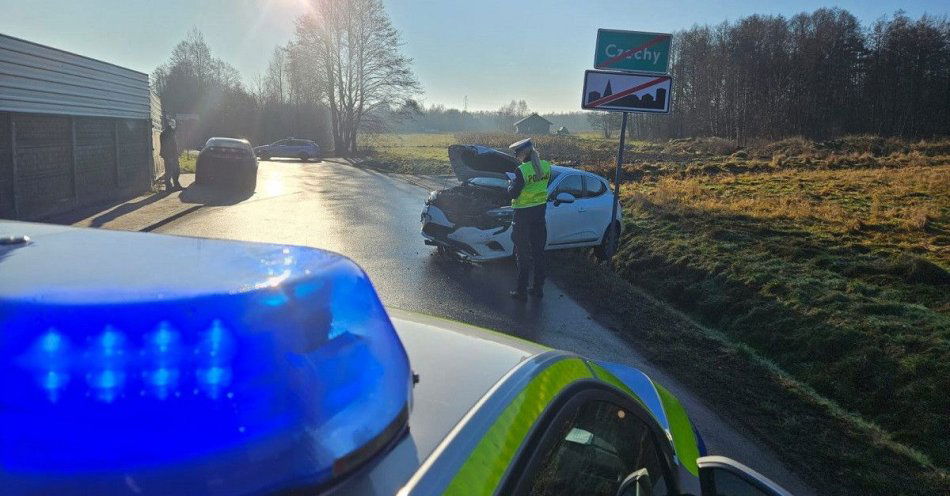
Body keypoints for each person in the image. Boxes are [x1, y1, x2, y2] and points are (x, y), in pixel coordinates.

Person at [507, 138, 552, 300]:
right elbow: (543, 185)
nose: (516, 156)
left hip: (523, 217)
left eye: (517, 153)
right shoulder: (546, 165)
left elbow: (513, 193)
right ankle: (538, 288)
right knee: (539, 253)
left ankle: (521, 291)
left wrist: (510, 184)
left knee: (523, 254)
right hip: (539, 214)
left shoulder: (522, 170)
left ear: (524, 152)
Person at [159, 120, 181, 191]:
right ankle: (169, 186)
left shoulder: (169, 132)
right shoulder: (166, 133)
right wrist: (169, 156)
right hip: (169, 155)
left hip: (172, 155)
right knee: (169, 170)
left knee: (175, 170)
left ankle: (175, 185)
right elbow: (167, 146)